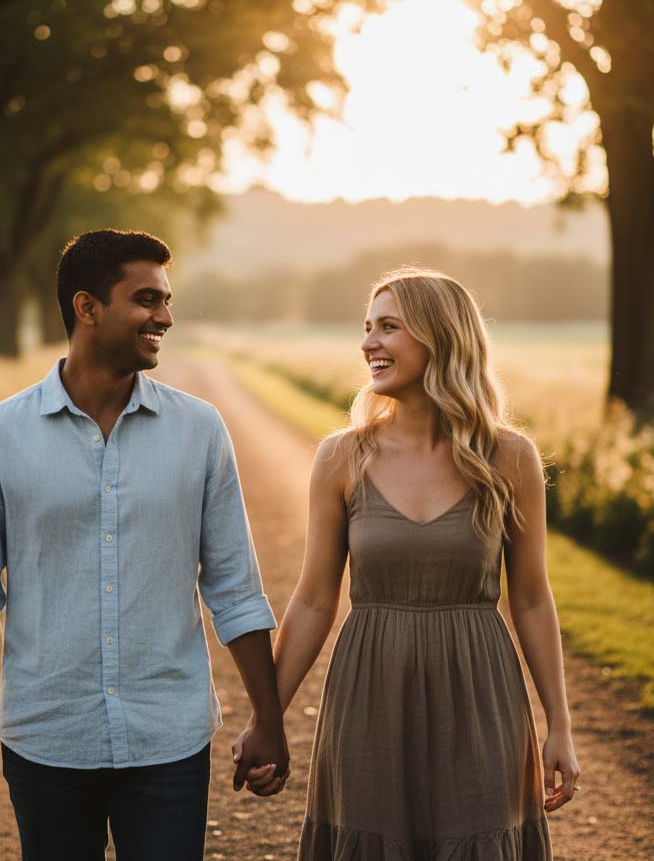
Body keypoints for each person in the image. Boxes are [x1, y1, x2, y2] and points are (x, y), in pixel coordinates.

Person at [0, 229, 289, 861]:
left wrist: (268, 719)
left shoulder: (200, 431)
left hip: (168, 740)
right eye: (147, 300)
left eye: (167, 300)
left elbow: (235, 588)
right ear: (87, 307)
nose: (166, 317)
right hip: (47, 738)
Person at [234, 266, 579, 859]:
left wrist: (560, 726)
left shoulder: (511, 458)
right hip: (369, 691)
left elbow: (530, 597)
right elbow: (315, 597)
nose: (369, 343)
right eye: (367, 328)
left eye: (388, 327)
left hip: (480, 692)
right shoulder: (342, 457)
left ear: (439, 336)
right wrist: (269, 716)